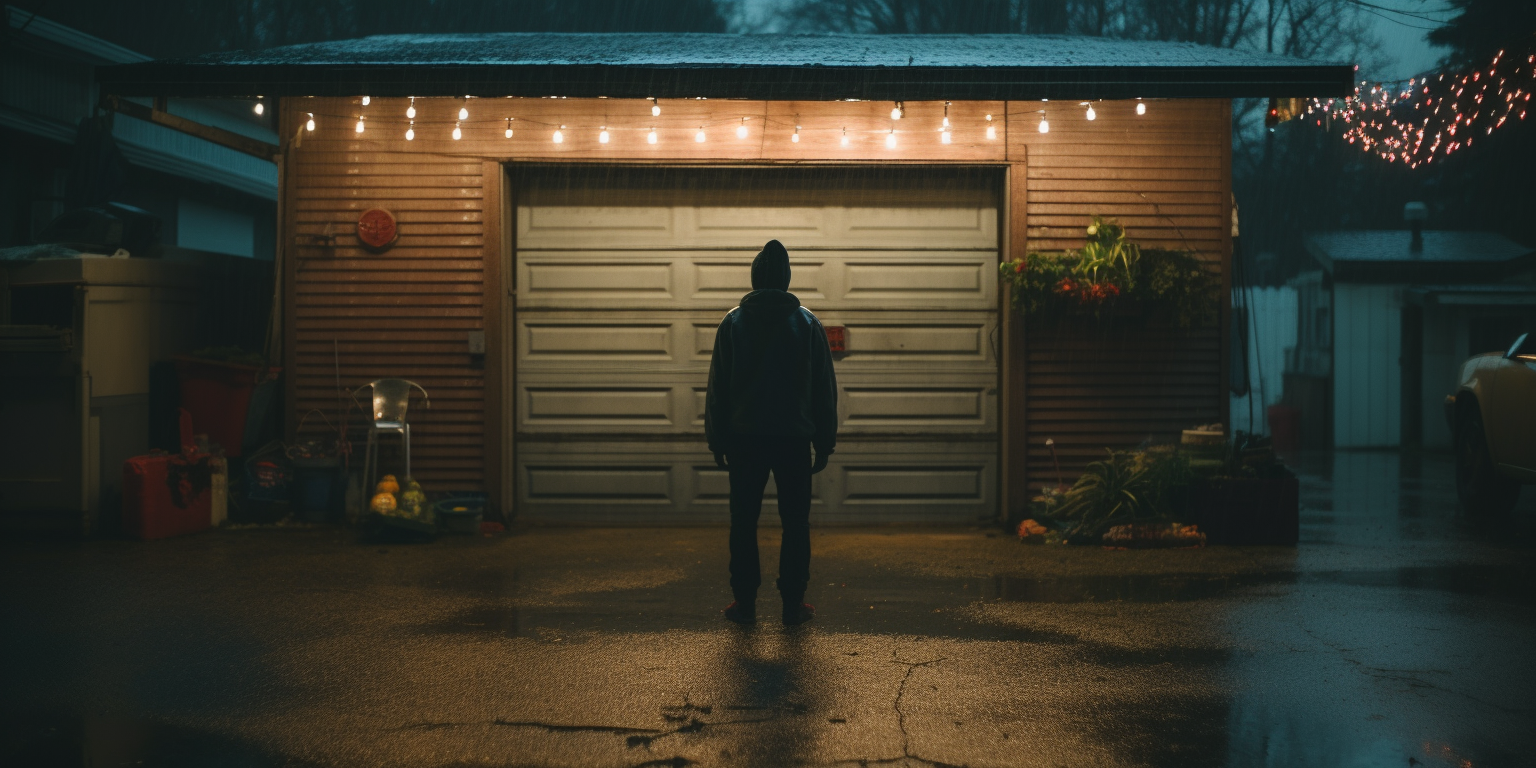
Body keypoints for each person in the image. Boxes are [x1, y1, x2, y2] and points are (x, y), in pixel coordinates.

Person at [705, 239, 838, 627]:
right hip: (793, 440)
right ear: (785, 279)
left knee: (743, 521)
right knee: (795, 522)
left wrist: (717, 438)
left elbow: (719, 388)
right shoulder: (808, 323)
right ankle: (792, 605)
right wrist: (824, 441)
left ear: (755, 277)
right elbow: (823, 388)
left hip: (745, 440)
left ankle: (744, 604)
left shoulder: (733, 322)